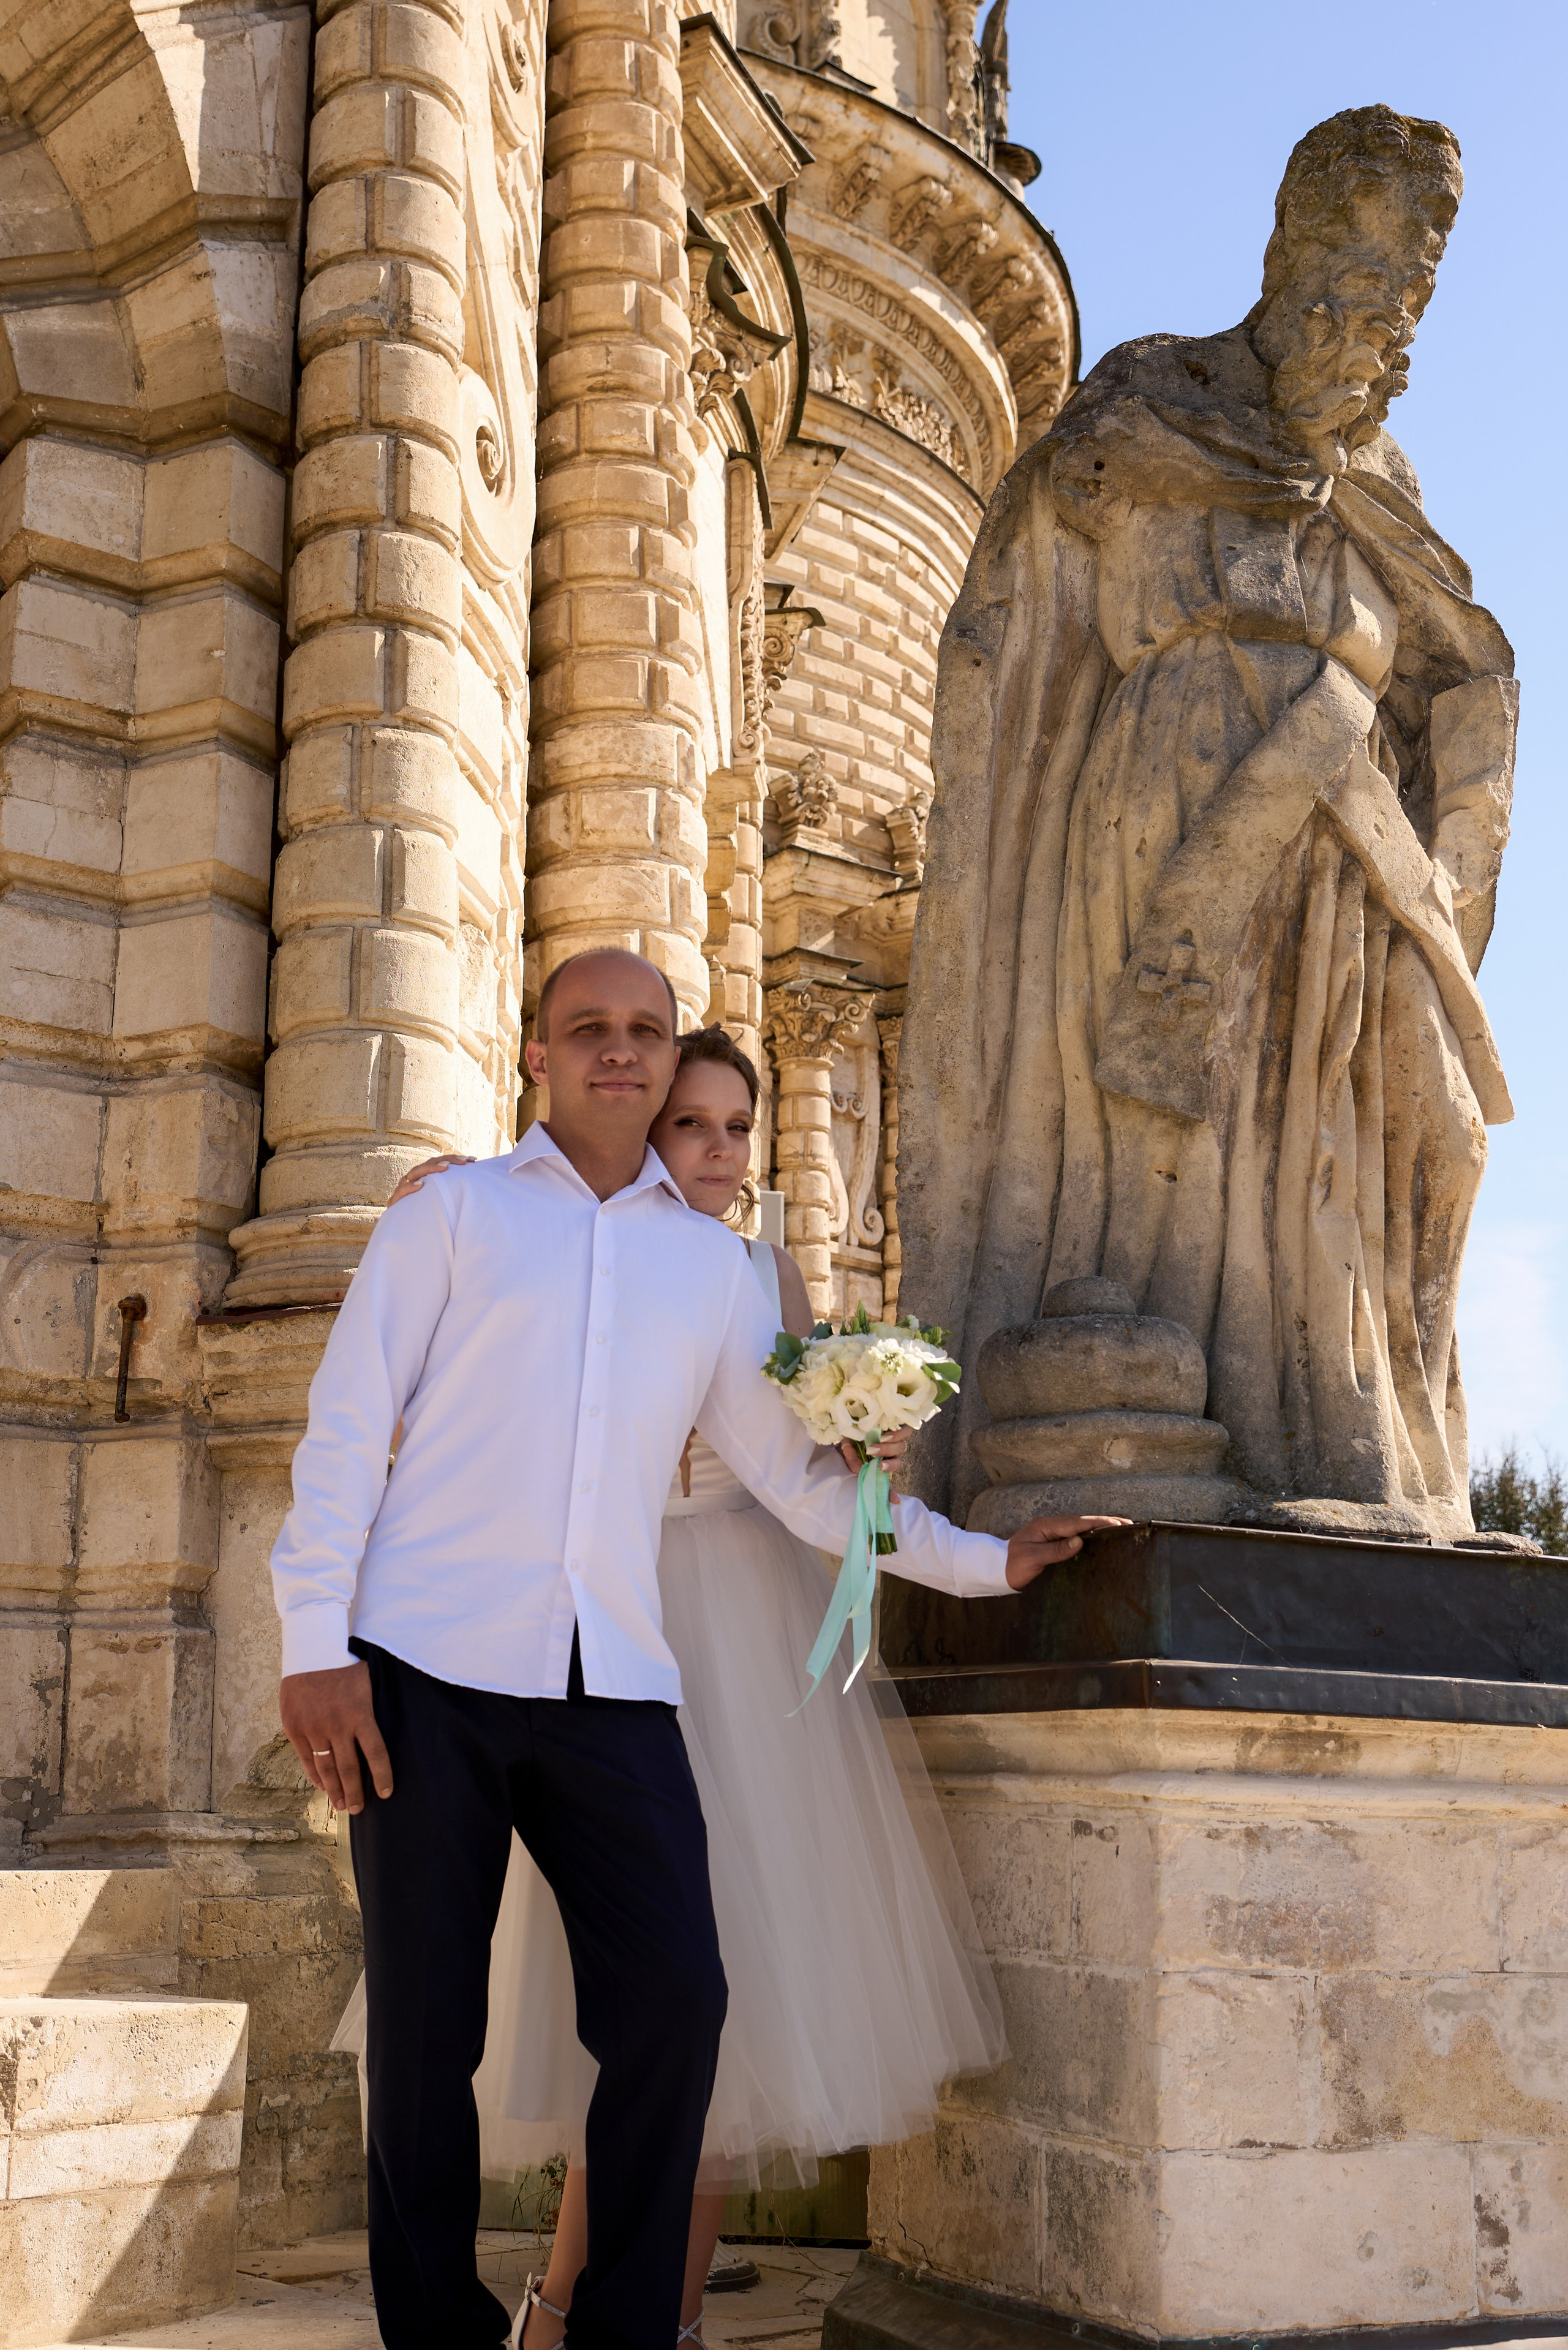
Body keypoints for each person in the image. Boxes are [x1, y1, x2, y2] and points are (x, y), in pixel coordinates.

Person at [273, 946, 1114, 2350]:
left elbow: (791, 1483)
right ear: (534, 1048)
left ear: (669, 1056)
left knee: (679, 1997)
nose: (621, 1051)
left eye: (645, 1032)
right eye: (589, 1028)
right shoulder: (451, 1218)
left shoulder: (718, 1273)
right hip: (420, 1665)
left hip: (613, 1680)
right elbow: (348, 1431)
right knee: (427, 2033)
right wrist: (316, 1644)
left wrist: (977, 1558)